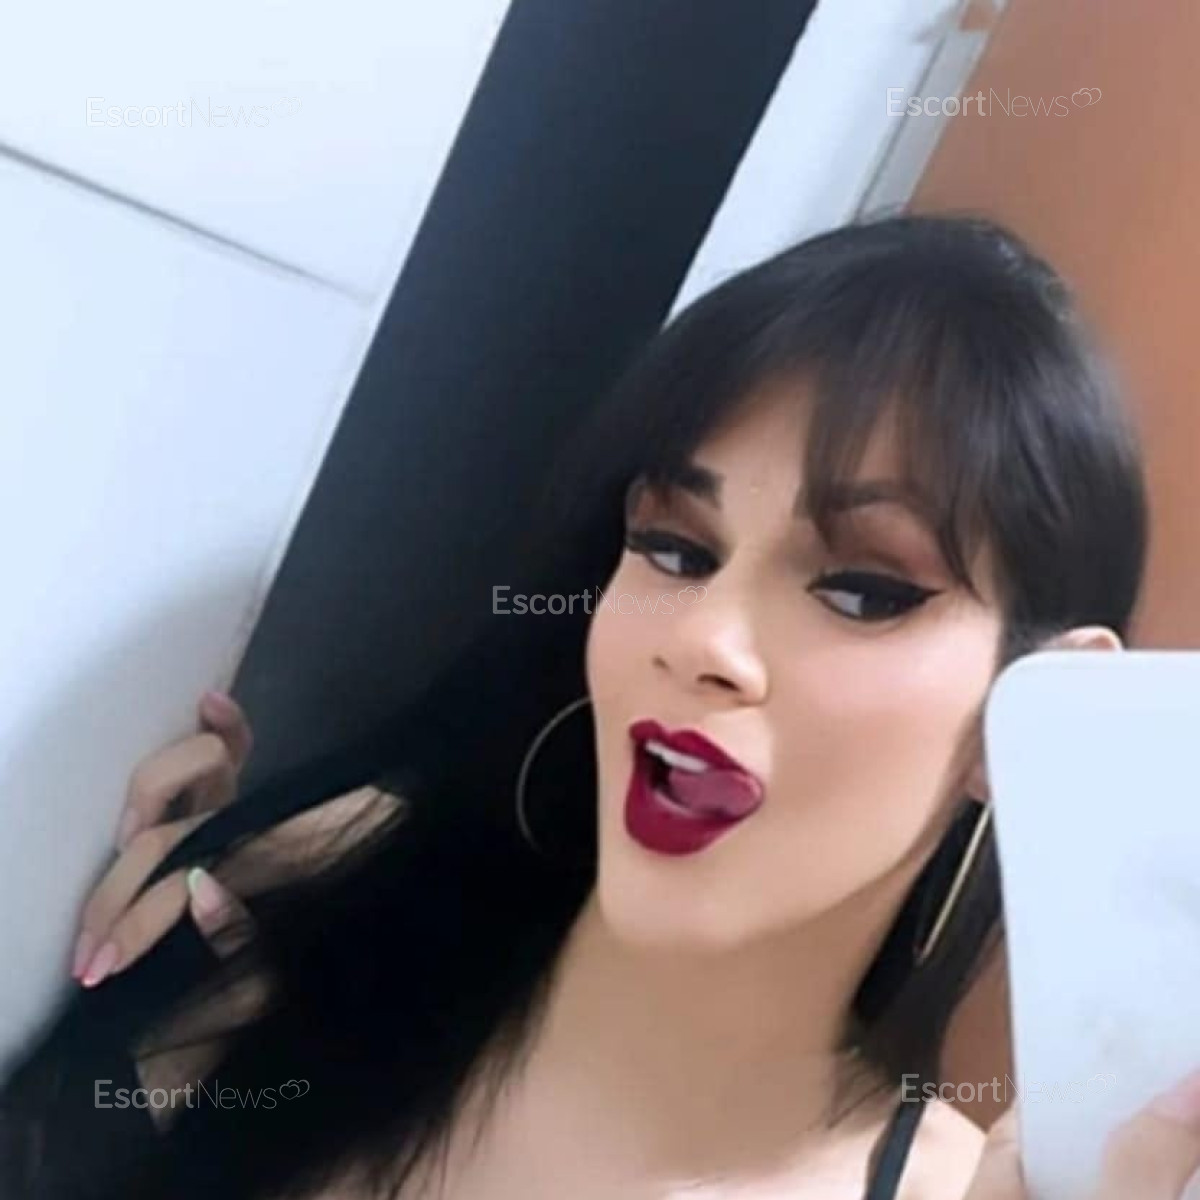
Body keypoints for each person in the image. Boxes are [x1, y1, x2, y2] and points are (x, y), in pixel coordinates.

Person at [3, 213, 1194, 1199]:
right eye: (676, 549)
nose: (706, 638)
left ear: (1029, 706)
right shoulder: (285, 949)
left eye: (864, 590)